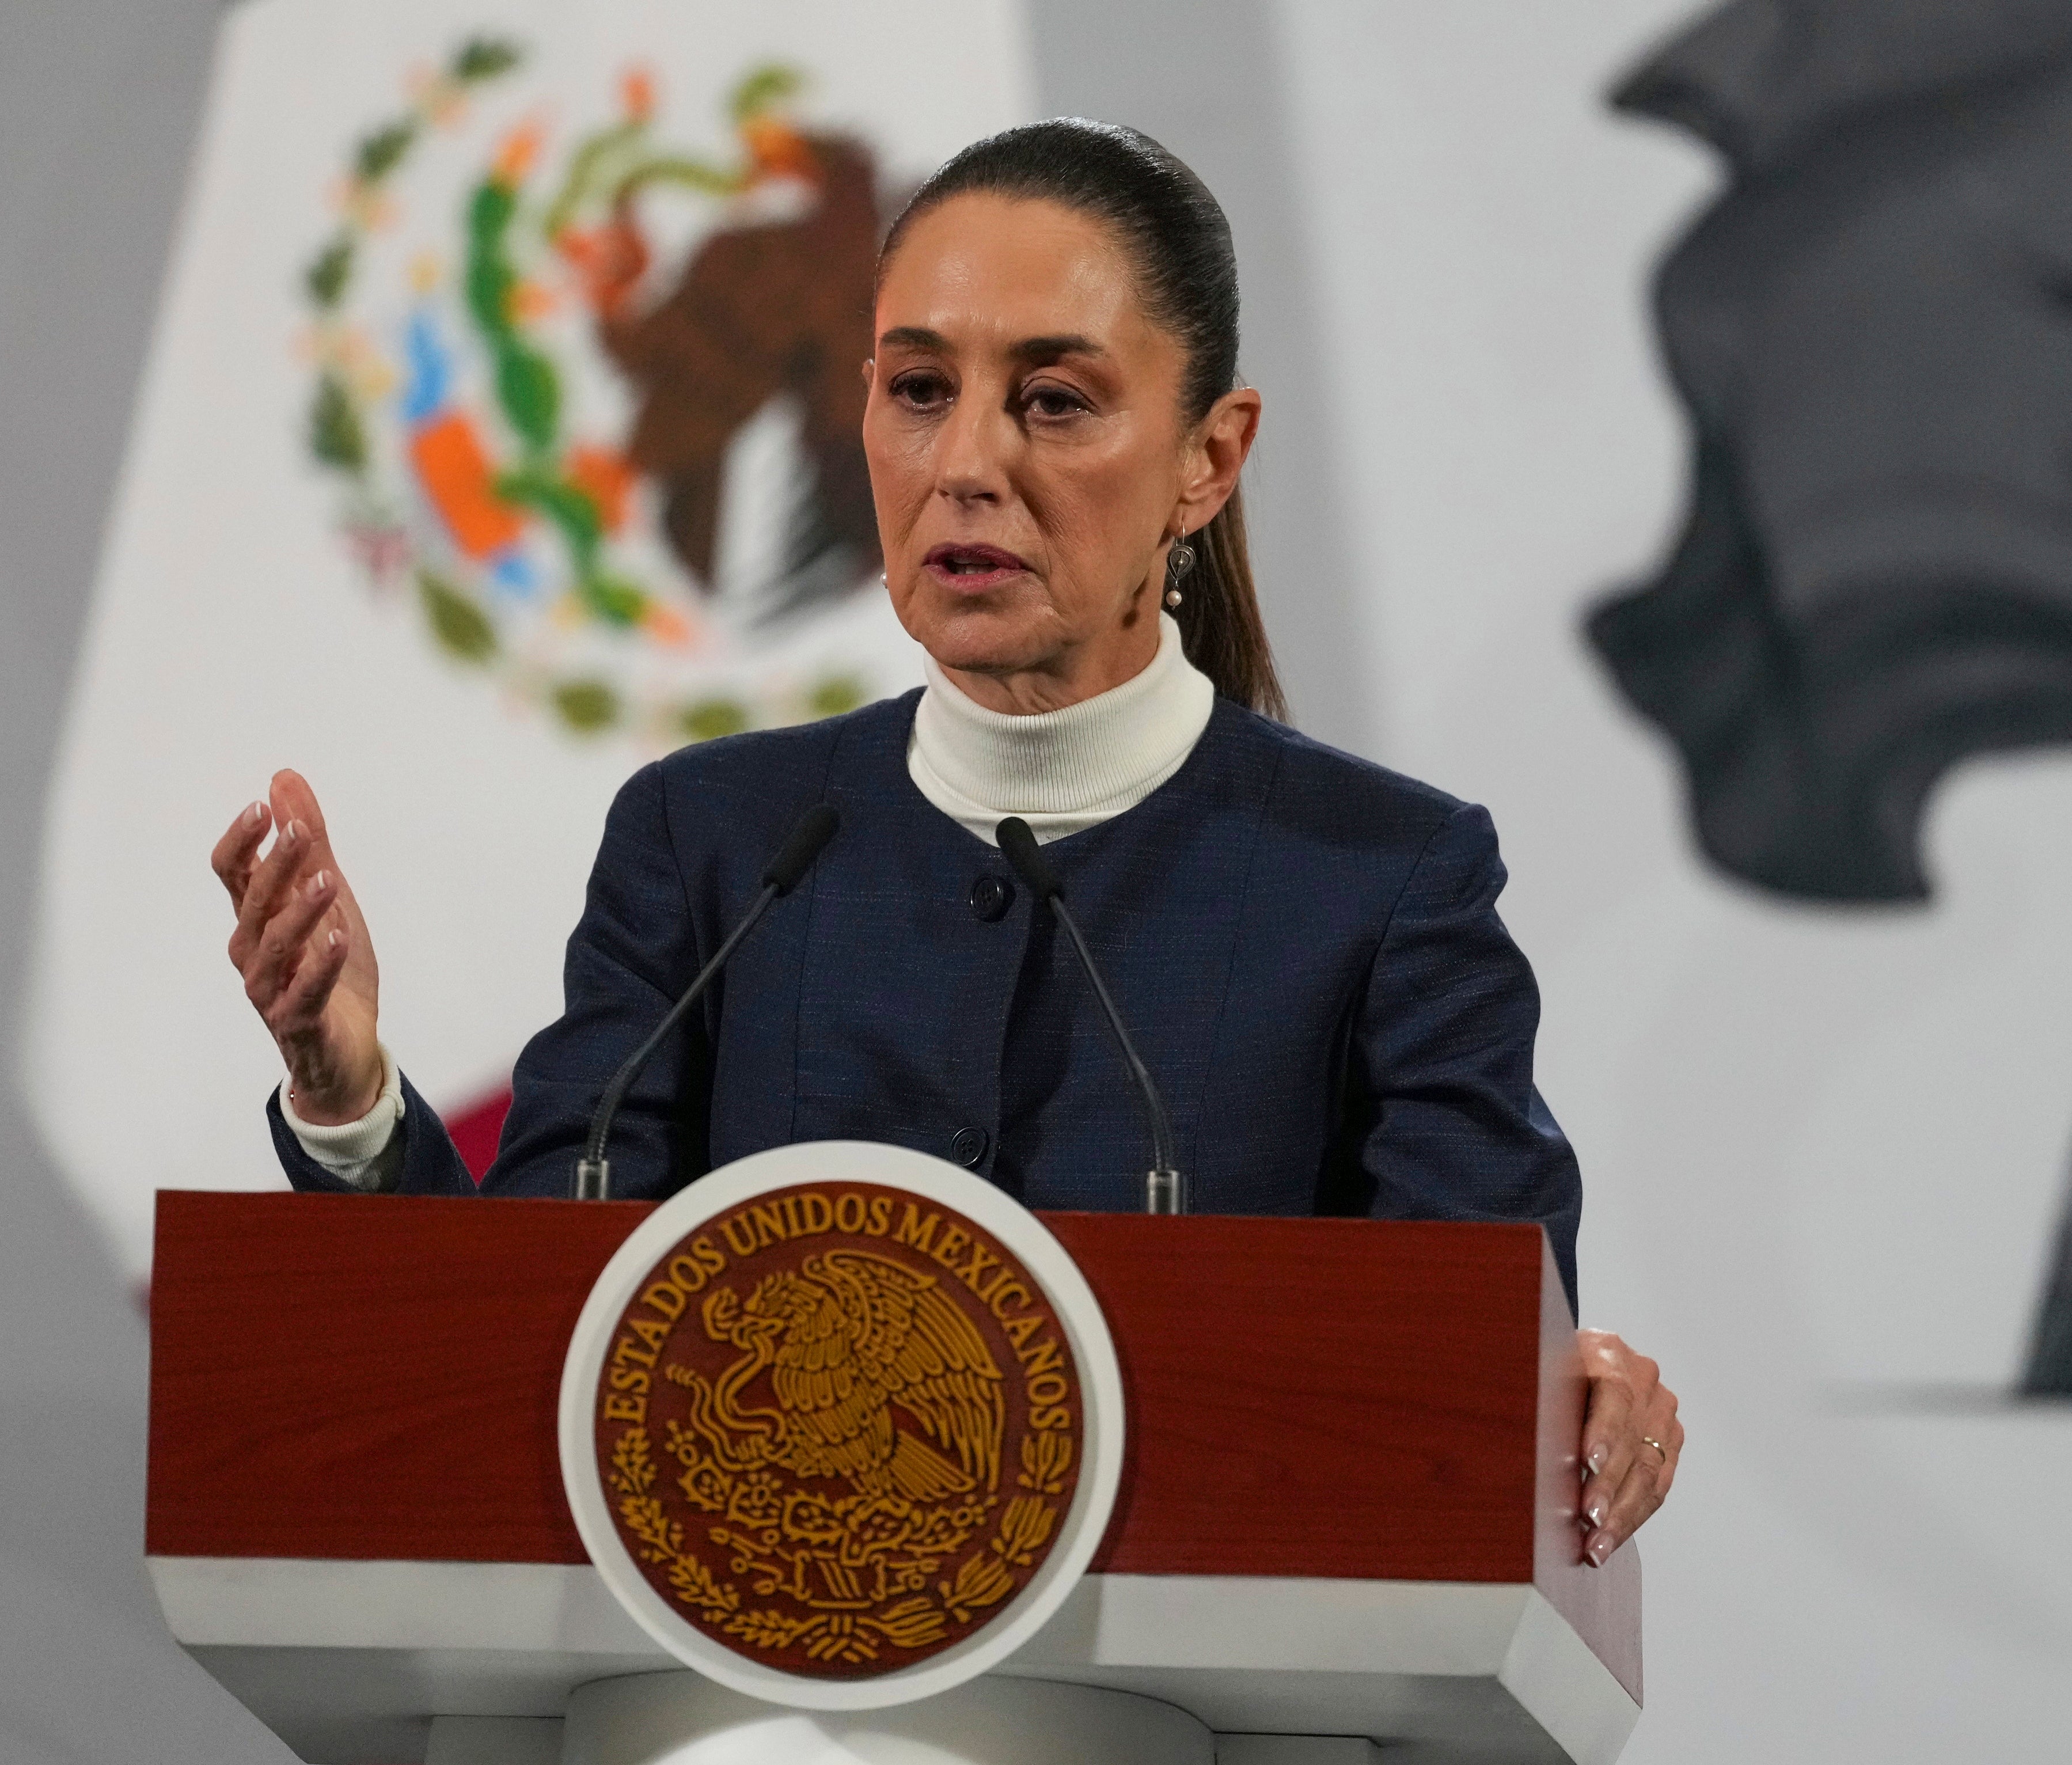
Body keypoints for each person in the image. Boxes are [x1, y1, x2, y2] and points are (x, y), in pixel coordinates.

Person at [208, 120, 1681, 1564]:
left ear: (1208, 457)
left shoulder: (1383, 883)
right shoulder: (711, 844)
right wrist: (353, 1106)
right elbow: (524, 1350)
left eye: (1052, 402)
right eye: (919, 389)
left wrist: (1544, 1385)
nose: (965, 463)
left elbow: (1457, 1384)